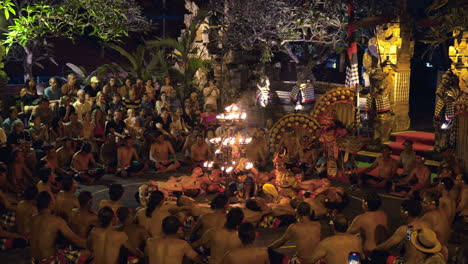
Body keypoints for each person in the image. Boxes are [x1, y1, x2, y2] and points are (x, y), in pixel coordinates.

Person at [30, 191, 88, 263]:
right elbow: (75, 239)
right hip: (50, 261)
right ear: (50, 203)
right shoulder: (56, 221)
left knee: (63, 249)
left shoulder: (32, 218)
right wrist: (92, 244)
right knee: (87, 253)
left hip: (34, 261)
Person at [375, 199, 432, 263]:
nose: (400, 211)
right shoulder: (427, 225)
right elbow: (409, 239)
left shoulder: (407, 229)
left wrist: (374, 248)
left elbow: (387, 245)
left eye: (401, 209)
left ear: (406, 213)